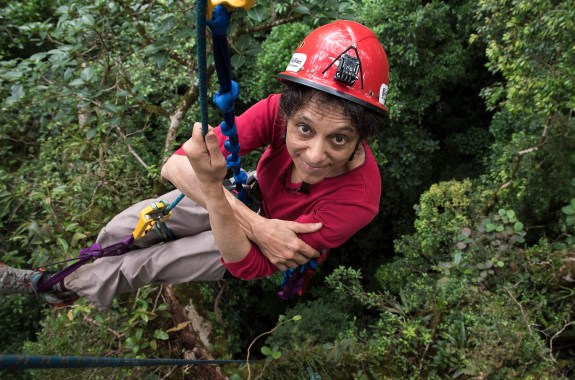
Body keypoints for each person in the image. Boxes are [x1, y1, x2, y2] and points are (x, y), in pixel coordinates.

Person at [0, 20, 389, 311]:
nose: (316, 155)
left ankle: (50, 286)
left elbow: (248, 267)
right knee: (125, 226)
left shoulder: (359, 200)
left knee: (147, 264)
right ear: (289, 112)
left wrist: (236, 215)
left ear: (362, 137)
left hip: (248, 244)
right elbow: (175, 166)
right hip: (249, 199)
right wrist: (257, 223)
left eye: (338, 138)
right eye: (304, 129)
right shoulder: (277, 110)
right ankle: (80, 271)